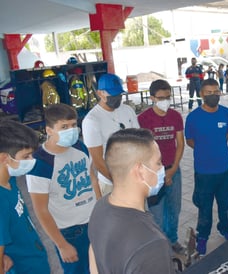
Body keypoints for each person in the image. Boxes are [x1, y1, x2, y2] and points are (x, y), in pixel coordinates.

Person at [88, 128, 175, 273]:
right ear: (140, 171)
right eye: (158, 163)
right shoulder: (151, 245)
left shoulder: (100, 207)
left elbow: (93, 252)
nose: (162, 168)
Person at [26, 104, 97, 274]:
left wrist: (102, 209)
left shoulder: (80, 147)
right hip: (70, 231)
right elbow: (41, 209)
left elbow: (92, 178)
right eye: (64, 127)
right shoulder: (39, 163)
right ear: (49, 130)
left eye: (73, 125)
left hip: (94, 221)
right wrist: (62, 244)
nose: (71, 130)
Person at [185, 78, 228, 255]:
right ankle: (203, 235)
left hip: (224, 169)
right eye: (209, 92)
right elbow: (190, 141)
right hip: (204, 171)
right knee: (204, 207)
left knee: (225, 204)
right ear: (201, 94)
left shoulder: (226, 113)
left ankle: (225, 228)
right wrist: (206, 150)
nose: (213, 95)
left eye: (216, 92)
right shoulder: (193, 117)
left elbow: (227, 134)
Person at [137, 79, 185, 254]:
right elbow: (141, 149)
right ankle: (160, 246)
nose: (165, 101)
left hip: (173, 169)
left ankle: (172, 240)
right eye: (161, 97)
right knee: (156, 212)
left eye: (167, 97)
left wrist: (172, 171)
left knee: (174, 209)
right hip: (153, 173)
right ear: (152, 98)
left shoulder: (175, 116)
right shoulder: (142, 119)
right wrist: (158, 174)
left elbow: (180, 144)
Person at [0, 120, 50, 274]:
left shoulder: (10, 180)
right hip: (23, 268)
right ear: (4, 158)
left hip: (33, 260)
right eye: (26, 156)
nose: (31, 161)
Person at [82, 73, 139, 196]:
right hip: (111, 182)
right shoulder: (92, 120)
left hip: (134, 178)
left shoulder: (127, 111)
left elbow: (139, 142)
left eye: (119, 94)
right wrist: (119, 183)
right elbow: (98, 161)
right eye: (112, 94)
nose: (117, 98)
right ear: (100, 93)